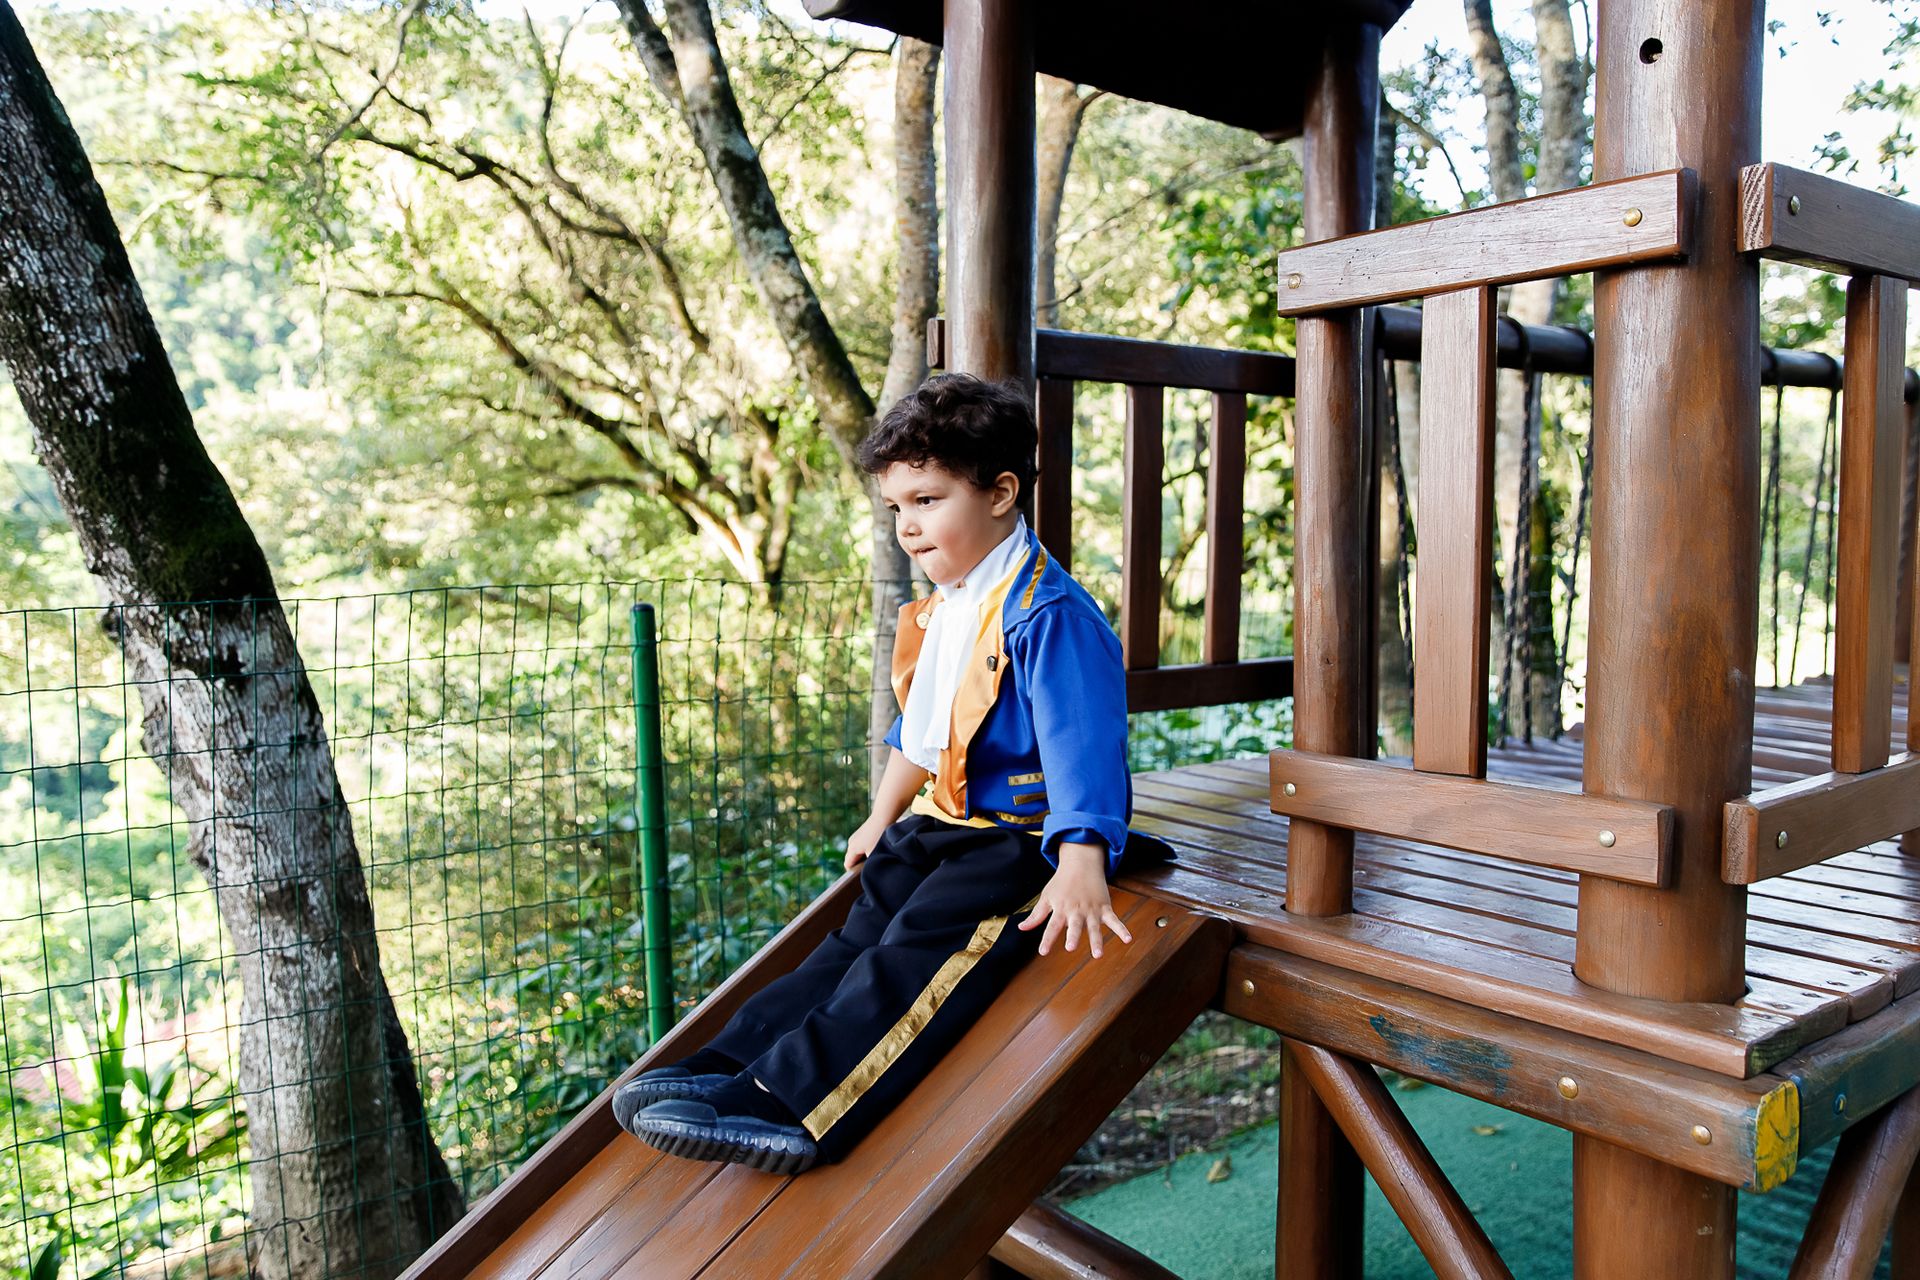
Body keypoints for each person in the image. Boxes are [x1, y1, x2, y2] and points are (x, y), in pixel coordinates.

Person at [614, 372, 1173, 1174]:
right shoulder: (950, 603)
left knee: (906, 957)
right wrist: (883, 815)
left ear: (1001, 493)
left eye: (928, 500)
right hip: (942, 823)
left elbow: (1084, 745)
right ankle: (735, 1063)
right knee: (850, 942)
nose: (908, 526)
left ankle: (798, 1105)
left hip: (1015, 842)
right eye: (896, 508)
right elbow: (922, 728)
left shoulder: (1047, 614)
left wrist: (1082, 857)